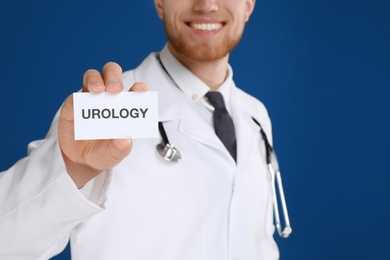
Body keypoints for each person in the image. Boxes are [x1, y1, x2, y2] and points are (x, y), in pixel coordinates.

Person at [0, 0, 280, 259]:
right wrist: (72, 170)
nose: (206, 5)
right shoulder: (105, 111)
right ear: (160, 3)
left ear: (249, 4)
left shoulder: (255, 116)